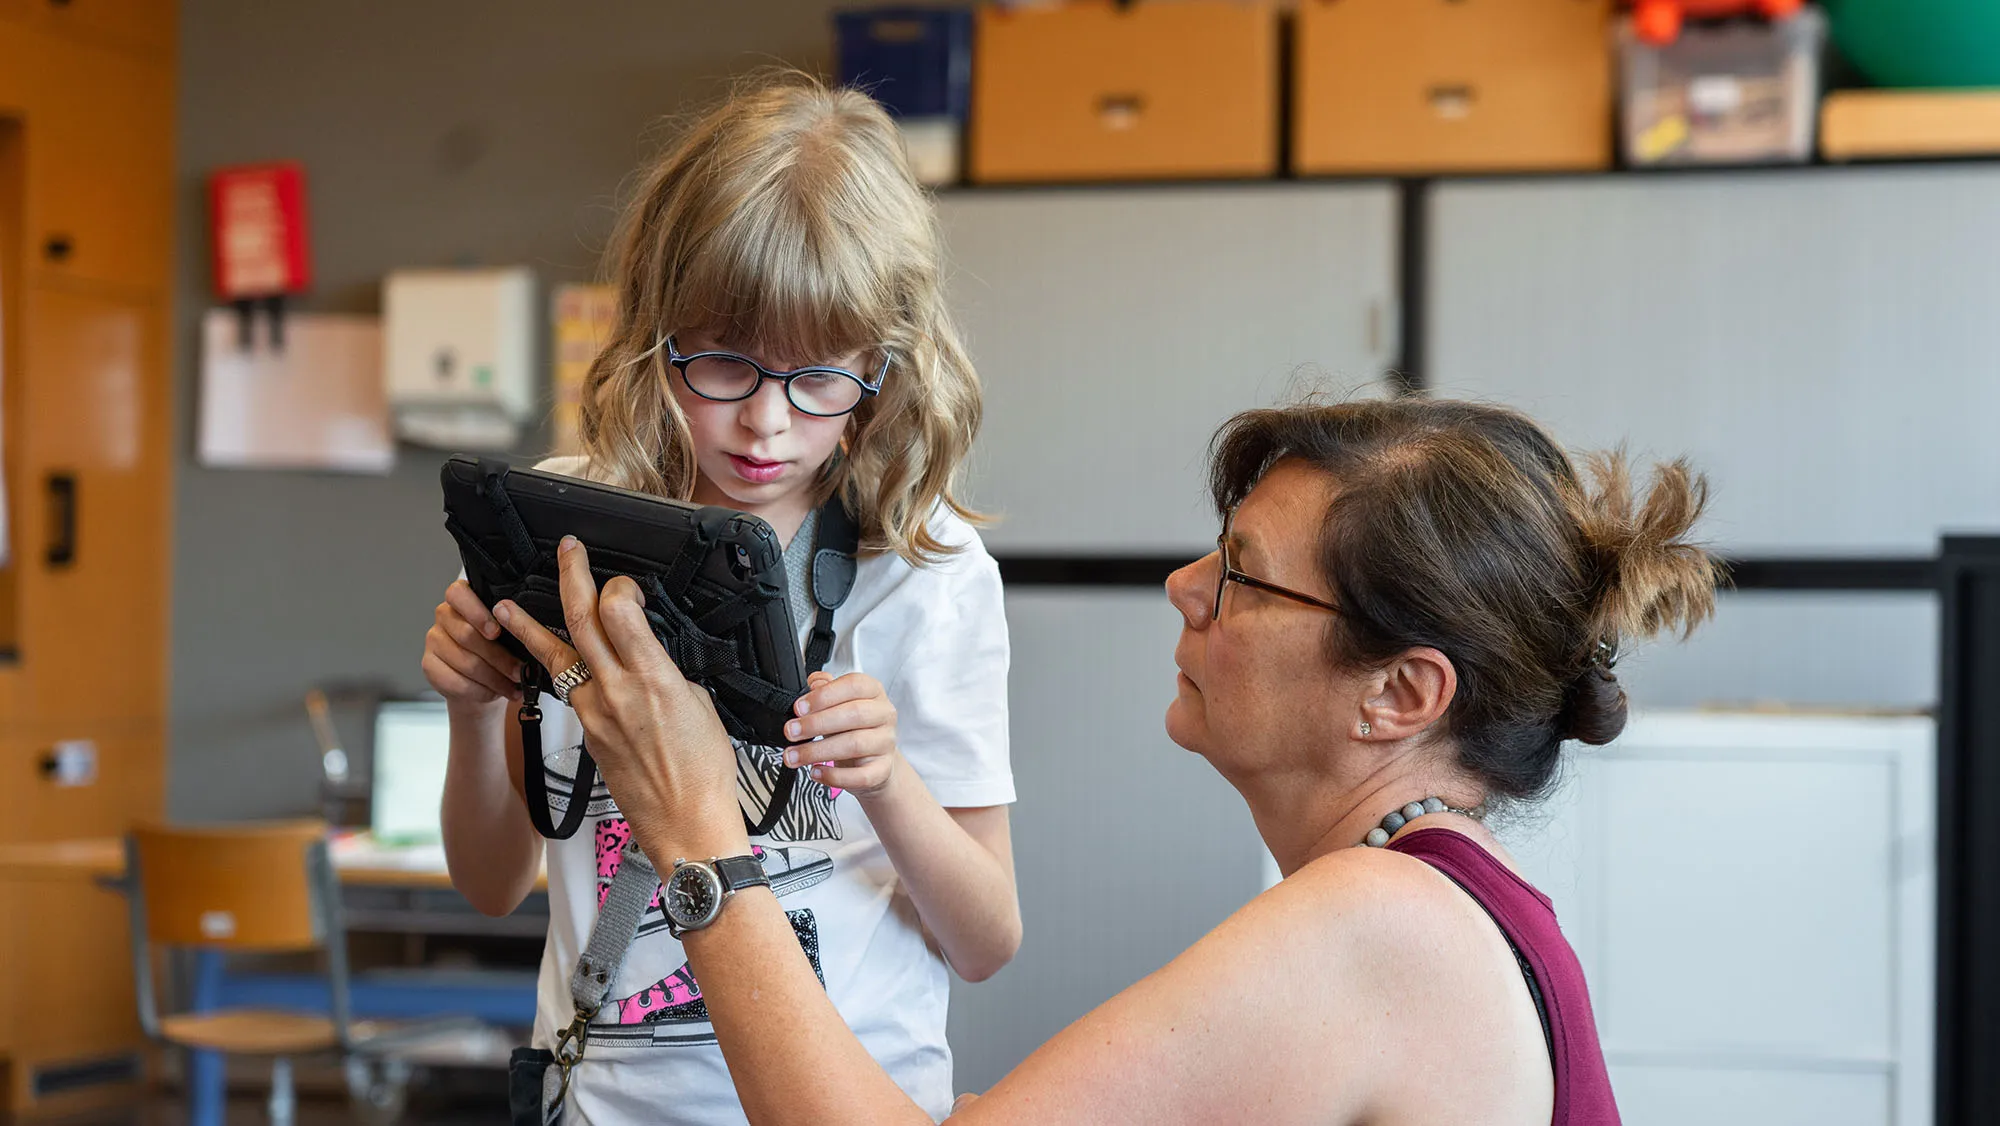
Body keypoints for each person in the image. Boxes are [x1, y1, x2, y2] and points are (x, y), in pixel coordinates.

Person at [497, 396, 1718, 1125]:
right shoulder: (1437, 896)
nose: (1183, 588)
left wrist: (699, 833)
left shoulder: (1379, 926)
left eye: (1240, 572)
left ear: (1400, 693)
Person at [420, 74, 1020, 1124]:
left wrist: (884, 780)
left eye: (819, 378)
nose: (766, 427)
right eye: (724, 366)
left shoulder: (924, 566)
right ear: (656, 330)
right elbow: (489, 884)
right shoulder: (569, 528)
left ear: (885, 368)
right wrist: (476, 713)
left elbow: (984, 940)